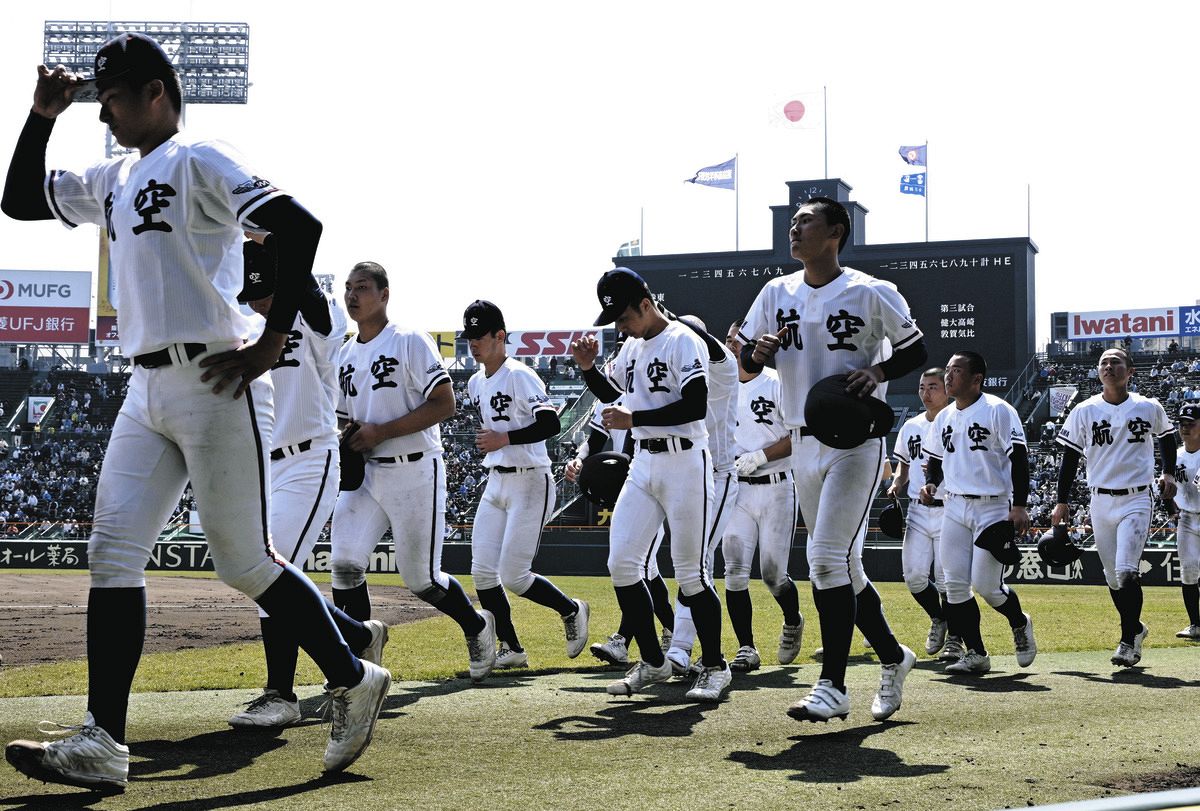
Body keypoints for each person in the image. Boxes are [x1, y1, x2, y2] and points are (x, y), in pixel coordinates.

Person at [1, 32, 389, 789]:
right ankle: (103, 743)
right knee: (112, 554)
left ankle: (351, 675)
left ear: (156, 92)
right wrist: (41, 114)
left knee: (244, 560)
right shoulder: (113, 174)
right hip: (144, 388)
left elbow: (300, 225)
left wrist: (271, 340)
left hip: (218, 377)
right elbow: (16, 199)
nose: (105, 113)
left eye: (113, 98)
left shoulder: (199, 156)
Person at [739, 197, 923, 723]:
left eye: (805, 222)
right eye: (792, 222)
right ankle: (893, 657)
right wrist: (756, 353)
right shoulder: (776, 292)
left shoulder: (870, 291)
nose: (794, 229)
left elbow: (914, 349)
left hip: (854, 442)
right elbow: (747, 364)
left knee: (823, 561)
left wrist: (881, 374)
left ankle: (833, 686)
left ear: (835, 232)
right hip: (801, 440)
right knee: (847, 568)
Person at [227, 237, 388, 729]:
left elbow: (313, 301)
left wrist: (281, 246)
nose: (256, 303)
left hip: (309, 458)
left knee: (269, 570)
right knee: (269, 574)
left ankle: (281, 695)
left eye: (263, 291)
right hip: (264, 465)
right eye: (250, 293)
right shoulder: (249, 325)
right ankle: (356, 635)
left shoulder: (314, 317)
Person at [572, 268, 731, 702]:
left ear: (646, 303)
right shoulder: (633, 346)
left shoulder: (682, 339)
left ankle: (715, 667)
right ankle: (655, 661)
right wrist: (587, 369)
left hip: (686, 461)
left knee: (691, 573)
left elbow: (695, 404)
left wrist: (635, 419)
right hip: (644, 462)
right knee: (622, 563)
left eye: (623, 316)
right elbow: (612, 395)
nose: (619, 327)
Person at [332, 263, 497, 681]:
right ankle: (362, 663)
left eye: (363, 288)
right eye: (348, 288)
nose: (353, 296)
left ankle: (478, 626)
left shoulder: (409, 341)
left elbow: (445, 404)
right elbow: (343, 417)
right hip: (367, 475)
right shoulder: (346, 354)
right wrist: (346, 438)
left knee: (421, 579)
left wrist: (379, 432)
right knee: (345, 565)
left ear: (384, 294)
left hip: (415, 470)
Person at [462, 299, 589, 669]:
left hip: (531, 480)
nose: (473, 343)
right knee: (483, 573)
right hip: (496, 480)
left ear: (499, 336)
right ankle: (512, 648)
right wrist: (497, 444)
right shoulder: (474, 382)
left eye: (480, 335)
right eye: (469, 336)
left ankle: (571, 609)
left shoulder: (519, 374)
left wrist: (504, 439)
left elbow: (550, 423)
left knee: (514, 576)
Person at [1052, 348, 1177, 666]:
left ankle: (1127, 641)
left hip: (1136, 497)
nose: (1109, 367)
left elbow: (1166, 437)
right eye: (1103, 363)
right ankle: (1135, 627)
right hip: (1099, 498)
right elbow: (1069, 457)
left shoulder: (1148, 406)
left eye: (1115, 362)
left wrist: (1167, 472)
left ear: (1130, 371)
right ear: (1098, 372)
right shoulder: (1084, 410)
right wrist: (1062, 500)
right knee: (1111, 576)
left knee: (1125, 572)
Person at [922, 351, 1038, 676]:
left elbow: (1019, 457)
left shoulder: (998, 410)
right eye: (947, 370)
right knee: (954, 584)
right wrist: (931, 484)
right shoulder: (944, 417)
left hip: (993, 506)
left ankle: (1019, 621)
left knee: (986, 586)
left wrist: (1019, 506)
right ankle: (976, 653)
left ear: (976, 379)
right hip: (955, 505)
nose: (948, 376)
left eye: (956, 371)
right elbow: (934, 458)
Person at [720, 322, 803, 672]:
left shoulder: (776, 382)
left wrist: (761, 456)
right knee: (734, 571)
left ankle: (793, 619)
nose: (727, 345)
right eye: (725, 340)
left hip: (777, 485)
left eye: (733, 340)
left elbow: (798, 435)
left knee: (772, 573)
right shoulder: (720, 386)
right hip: (738, 489)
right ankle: (746, 647)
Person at [662, 314, 739, 679]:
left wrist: (677, 323)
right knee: (689, 563)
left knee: (697, 563)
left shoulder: (722, 365)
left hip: (721, 475)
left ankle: (682, 650)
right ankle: (678, 647)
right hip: (687, 473)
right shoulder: (679, 369)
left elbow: (710, 347)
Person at [887, 367, 958, 660]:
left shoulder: (957, 422)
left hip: (949, 508)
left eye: (932, 387)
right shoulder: (911, 427)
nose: (926, 393)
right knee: (914, 577)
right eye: (921, 387)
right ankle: (939, 618)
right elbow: (903, 467)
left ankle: (956, 638)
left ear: (946, 389)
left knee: (947, 581)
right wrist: (896, 484)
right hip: (917, 510)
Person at [1171, 403, 1200, 640]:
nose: (1185, 428)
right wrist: (1171, 507)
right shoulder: (1176, 455)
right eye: (1182, 424)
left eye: (1191, 424)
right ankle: (1195, 624)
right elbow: (1166, 487)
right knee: (1188, 571)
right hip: (1187, 518)